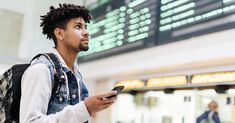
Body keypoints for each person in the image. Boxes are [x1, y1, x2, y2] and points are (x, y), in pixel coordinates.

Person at [20, 3, 117, 123]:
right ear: (60, 33)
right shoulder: (41, 70)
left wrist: (89, 109)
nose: (86, 32)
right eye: (78, 27)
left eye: (85, 27)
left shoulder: (75, 74)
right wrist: (85, 109)